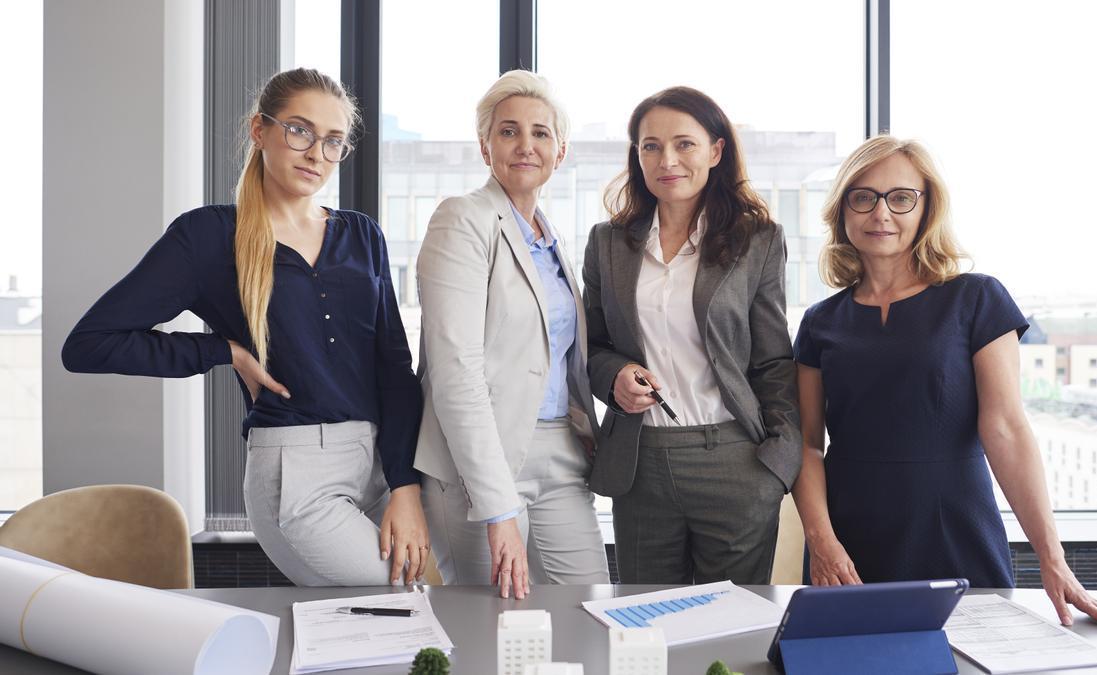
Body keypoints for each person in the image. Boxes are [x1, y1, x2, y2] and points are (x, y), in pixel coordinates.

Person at [61, 68, 428, 587]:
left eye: (333, 141)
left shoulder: (362, 234)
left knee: (378, 632)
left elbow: (394, 367)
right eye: (299, 131)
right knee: (401, 606)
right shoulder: (208, 236)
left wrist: (406, 485)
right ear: (261, 130)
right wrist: (223, 350)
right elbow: (89, 345)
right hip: (297, 472)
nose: (315, 154)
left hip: (382, 464)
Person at [791, 134, 1097, 631]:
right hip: (849, 535)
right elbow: (806, 445)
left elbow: (1005, 428)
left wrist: (1052, 555)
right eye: (863, 197)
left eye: (900, 197)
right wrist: (823, 542)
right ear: (843, 209)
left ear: (926, 207)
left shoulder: (977, 299)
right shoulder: (819, 321)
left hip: (954, 525)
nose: (881, 213)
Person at [582, 86, 801, 584]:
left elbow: (773, 360)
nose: (667, 160)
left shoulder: (758, 240)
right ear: (636, 156)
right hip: (641, 462)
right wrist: (614, 375)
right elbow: (590, 345)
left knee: (732, 628)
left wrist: (777, 464)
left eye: (685, 144)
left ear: (716, 151)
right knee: (649, 625)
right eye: (650, 146)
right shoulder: (608, 242)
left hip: (733, 460)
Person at [413, 70, 608, 599]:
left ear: (560, 151)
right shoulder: (462, 220)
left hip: (560, 456)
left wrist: (579, 425)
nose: (526, 145)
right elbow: (455, 372)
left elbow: (556, 355)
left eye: (541, 133)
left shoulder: (552, 239)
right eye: (508, 131)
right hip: (479, 460)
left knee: (590, 606)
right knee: (493, 626)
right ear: (485, 146)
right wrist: (497, 508)